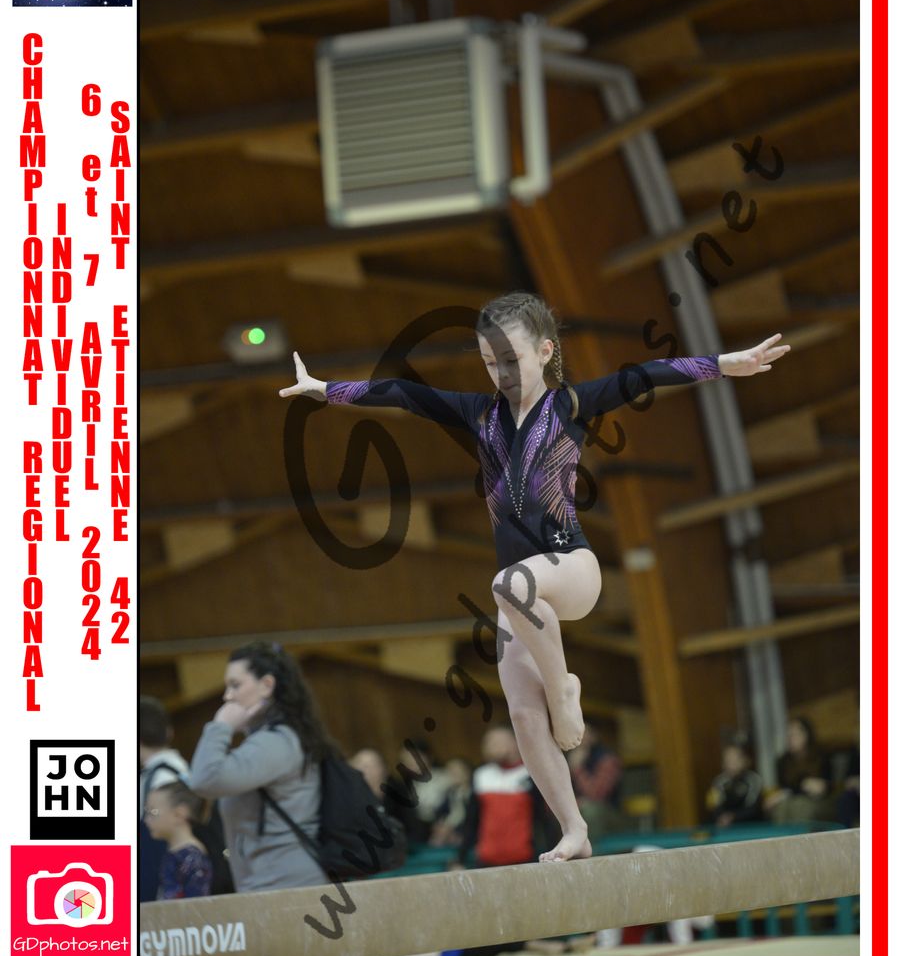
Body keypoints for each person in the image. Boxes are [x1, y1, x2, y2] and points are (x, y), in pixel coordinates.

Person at [280, 290, 791, 861]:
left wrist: (724, 364)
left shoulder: (571, 404)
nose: (500, 373)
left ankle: (564, 689)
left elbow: (646, 375)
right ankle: (574, 829)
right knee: (523, 714)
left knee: (509, 586)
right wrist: (324, 390)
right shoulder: (479, 414)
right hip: (523, 598)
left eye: (511, 359)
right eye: (488, 362)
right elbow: (404, 393)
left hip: (571, 568)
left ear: (546, 351)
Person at [190, 641, 337, 891]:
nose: (227, 696)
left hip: (285, 883)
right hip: (273, 881)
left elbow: (203, 779)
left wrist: (221, 726)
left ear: (267, 685)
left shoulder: (275, 743)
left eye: (235, 685)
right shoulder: (275, 739)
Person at [454, 726, 556, 869]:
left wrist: (553, 853)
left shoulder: (531, 774)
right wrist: (460, 858)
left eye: (498, 742)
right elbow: (471, 821)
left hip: (524, 858)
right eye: (489, 742)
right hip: (487, 860)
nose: (492, 747)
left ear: (515, 742)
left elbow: (545, 820)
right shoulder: (481, 775)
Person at [139, 695, 190, 903]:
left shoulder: (161, 778)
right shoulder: (180, 769)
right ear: (169, 732)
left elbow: (163, 831)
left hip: (163, 869)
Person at [143, 780, 213, 900]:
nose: (146, 820)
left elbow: (196, 905)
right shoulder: (174, 852)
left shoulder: (191, 857)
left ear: (179, 814)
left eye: (152, 812)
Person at [765, 717, 832, 825]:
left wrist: (822, 786)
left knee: (800, 806)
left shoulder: (821, 756)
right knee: (781, 808)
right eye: (788, 735)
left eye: (795, 735)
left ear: (806, 735)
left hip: (817, 799)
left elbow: (829, 785)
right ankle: (783, 836)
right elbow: (784, 788)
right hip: (790, 798)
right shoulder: (783, 761)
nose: (790, 739)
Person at [566, 721, 626, 841]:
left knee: (590, 811)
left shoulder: (607, 759)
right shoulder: (566, 756)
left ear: (594, 736)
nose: (579, 736)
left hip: (608, 813)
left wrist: (577, 768)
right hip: (577, 807)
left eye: (584, 732)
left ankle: (592, 850)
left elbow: (596, 795)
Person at [705, 738, 764, 828]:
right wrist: (723, 817)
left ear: (745, 761)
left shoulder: (754, 780)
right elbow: (715, 807)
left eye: (736, 759)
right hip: (726, 826)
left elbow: (754, 809)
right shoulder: (719, 782)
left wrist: (733, 816)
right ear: (723, 763)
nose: (732, 763)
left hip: (751, 825)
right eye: (728, 760)